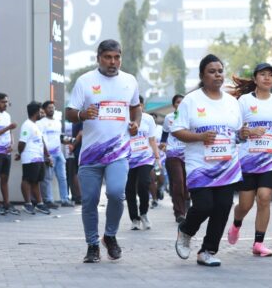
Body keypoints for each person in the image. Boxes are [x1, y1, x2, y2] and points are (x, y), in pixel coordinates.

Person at [65, 39, 142, 263]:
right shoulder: (85, 81)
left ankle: (109, 235)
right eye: (108, 57)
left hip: (118, 152)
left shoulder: (129, 81)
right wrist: (81, 115)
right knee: (89, 200)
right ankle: (92, 245)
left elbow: (135, 107)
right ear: (99, 58)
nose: (112, 62)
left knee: (117, 193)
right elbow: (70, 111)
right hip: (90, 154)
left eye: (116, 57)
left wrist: (135, 122)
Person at [173, 54, 247, 267]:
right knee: (204, 206)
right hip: (200, 165)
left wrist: (245, 133)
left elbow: (237, 132)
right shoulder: (191, 100)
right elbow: (177, 129)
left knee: (223, 207)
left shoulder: (233, 102)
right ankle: (186, 230)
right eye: (212, 72)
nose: (217, 75)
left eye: (220, 71)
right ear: (202, 76)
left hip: (227, 165)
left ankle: (208, 250)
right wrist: (199, 137)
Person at [226, 62, 272, 257]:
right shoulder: (244, 101)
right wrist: (248, 131)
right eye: (263, 74)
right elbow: (236, 130)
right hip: (248, 159)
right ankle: (236, 223)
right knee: (245, 204)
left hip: (271, 158)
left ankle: (258, 243)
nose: (267, 78)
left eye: (271, 75)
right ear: (255, 79)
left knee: (264, 198)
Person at [126, 95, 161, 230]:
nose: (138, 107)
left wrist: (157, 157)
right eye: (134, 105)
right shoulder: (125, 119)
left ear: (143, 106)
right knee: (129, 188)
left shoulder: (148, 119)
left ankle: (144, 213)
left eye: (140, 104)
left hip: (145, 157)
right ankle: (134, 218)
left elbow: (152, 139)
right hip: (128, 158)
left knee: (144, 183)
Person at [18, 101, 52, 215]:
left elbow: (41, 141)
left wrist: (47, 156)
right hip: (30, 157)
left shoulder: (35, 125)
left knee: (36, 181)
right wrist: (21, 153)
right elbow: (21, 143)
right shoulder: (27, 125)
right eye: (40, 111)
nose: (42, 113)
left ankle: (39, 203)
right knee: (27, 180)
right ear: (35, 112)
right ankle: (27, 203)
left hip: (38, 157)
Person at [39, 101, 73, 208]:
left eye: (53, 107)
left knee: (63, 177)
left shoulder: (58, 122)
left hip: (59, 154)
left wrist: (72, 141)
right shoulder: (41, 123)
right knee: (47, 178)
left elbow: (59, 137)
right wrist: (47, 155)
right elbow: (41, 139)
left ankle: (65, 199)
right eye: (49, 108)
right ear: (44, 110)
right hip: (49, 155)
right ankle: (48, 200)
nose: (51, 109)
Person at [0, 93, 19, 215]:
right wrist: (8, 128)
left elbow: (10, 132)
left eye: (7, 102)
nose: (5, 104)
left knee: (5, 178)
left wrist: (12, 144)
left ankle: (6, 203)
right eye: (3, 102)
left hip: (6, 151)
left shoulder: (7, 115)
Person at [162, 94, 189, 223]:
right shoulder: (169, 118)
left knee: (187, 184)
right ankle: (179, 213)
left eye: (183, 102)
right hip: (173, 153)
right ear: (174, 105)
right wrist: (162, 143)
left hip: (189, 154)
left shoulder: (191, 117)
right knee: (178, 182)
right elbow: (165, 134)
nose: (180, 104)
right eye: (178, 102)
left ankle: (186, 205)